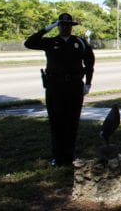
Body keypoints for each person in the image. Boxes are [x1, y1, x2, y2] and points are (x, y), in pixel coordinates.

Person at [24, 12, 94, 167]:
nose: (65, 27)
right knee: (56, 122)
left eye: (67, 25)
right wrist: (49, 27)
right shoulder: (50, 42)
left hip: (74, 87)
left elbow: (90, 63)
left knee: (72, 121)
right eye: (61, 24)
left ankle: (69, 156)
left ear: (71, 27)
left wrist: (88, 83)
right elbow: (29, 43)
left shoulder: (79, 42)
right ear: (58, 26)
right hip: (55, 87)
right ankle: (57, 156)